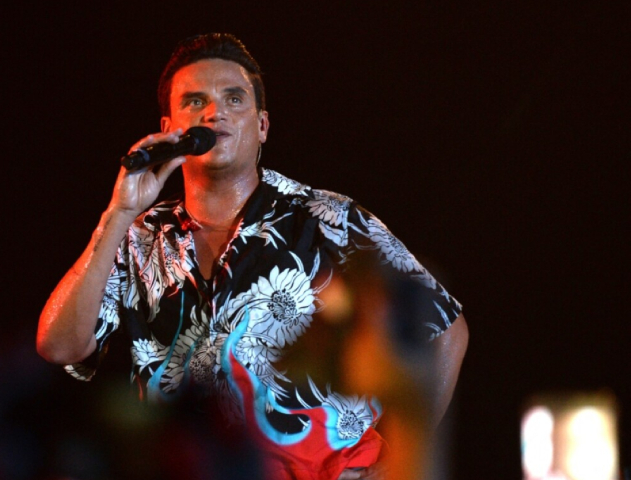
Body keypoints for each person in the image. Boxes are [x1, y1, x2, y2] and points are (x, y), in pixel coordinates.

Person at [37, 33, 468, 480]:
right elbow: (59, 346)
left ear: (262, 125)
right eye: (195, 101)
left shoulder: (330, 218)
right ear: (169, 128)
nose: (214, 112)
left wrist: (396, 465)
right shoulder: (137, 235)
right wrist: (119, 212)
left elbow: (446, 330)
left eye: (234, 98)